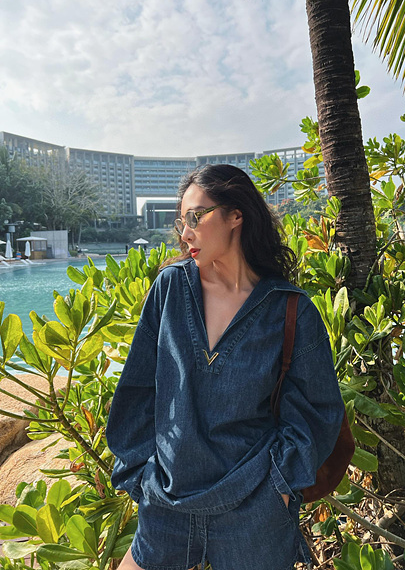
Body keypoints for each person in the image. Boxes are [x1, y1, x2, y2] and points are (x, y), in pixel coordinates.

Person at [106, 164, 345, 570]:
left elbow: (316, 412)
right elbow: (137, 390)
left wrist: (279, 487)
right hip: (167, 500)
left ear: (236, 215)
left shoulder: (290, 309)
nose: (186, 233)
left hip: (253, 510)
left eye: (196, 217)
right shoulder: (170, 288)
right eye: (182, 221)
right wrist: (141, 477)